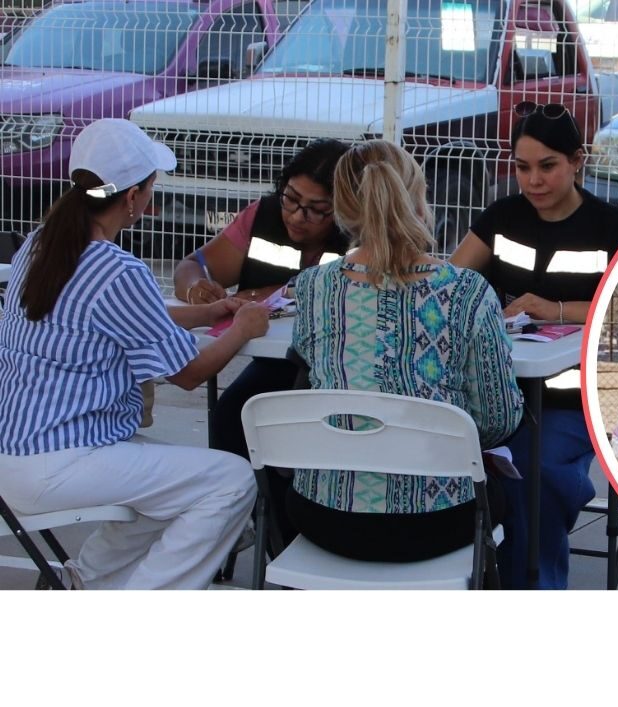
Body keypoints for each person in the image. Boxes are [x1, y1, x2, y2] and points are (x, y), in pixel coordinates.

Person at [0, 119, 271, 589]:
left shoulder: (42, 243)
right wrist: (242, 328)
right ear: (131, 197)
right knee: (230, 481)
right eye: (150, 187)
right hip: (62, 460)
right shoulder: (118, 269)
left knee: (173, 487)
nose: (151, 197)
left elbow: (127, 316)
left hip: (18, 452)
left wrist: (208, 314)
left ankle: (84, 582)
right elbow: (189, 374)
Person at [287, 140, 524, 562]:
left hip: (324, 517)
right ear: (418, 197)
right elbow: (497, 420)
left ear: (342, 209)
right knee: (509, 495)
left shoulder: (312, 288)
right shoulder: (468, 292)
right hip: (436, 521)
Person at [451, 101, 618, 588]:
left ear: (578, 161)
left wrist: (555, 309)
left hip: (572, 401)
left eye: (547, 166)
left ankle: (529, 584)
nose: (533, 181)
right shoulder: (501, 216)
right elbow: (450, 285)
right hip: (497, 391)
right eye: (522, 167)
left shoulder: (613, 228)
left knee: (534, 473)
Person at [172, 139, 351, 538]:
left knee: (295, 437)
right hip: (277, 363)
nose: (298, 216)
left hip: (338, 370)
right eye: (291, 198)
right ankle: (255, 528)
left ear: (344, 209)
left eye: (317, 209)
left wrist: (263, 294)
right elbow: (193, 264)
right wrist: (197, 288)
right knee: (232, 416)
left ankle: (285, 536)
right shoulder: (261, 216)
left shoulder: (359, 236)